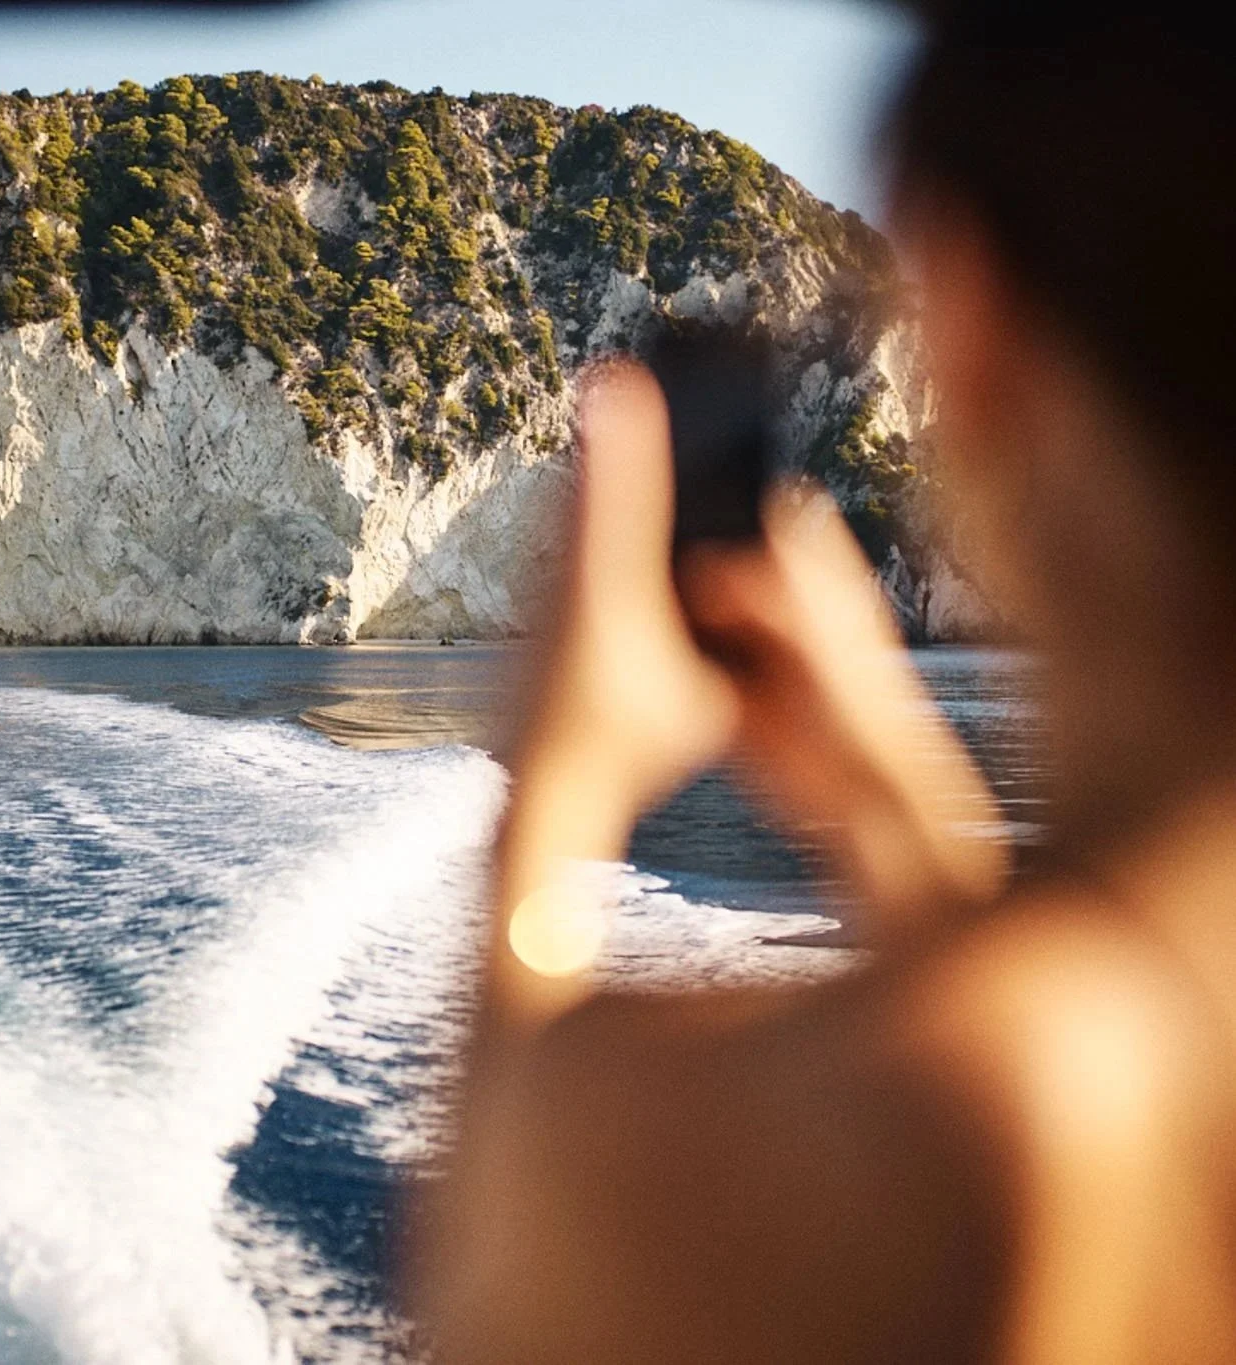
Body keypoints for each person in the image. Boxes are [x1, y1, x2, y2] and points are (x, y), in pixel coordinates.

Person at [412, 9, 1236, 1361]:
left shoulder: (915, 1137)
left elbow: (499, 1271)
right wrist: (889, 804)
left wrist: (554, 796)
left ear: (969, 333)